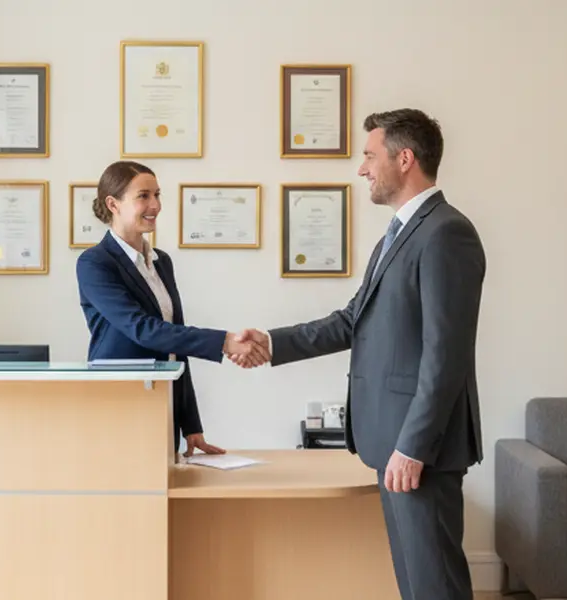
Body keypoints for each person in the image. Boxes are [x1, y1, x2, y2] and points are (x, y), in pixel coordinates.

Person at [232, 108, 485, 600]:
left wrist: (414, 445)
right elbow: (353, 321)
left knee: (436, 585)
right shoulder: (399, 234)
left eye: (370, 156)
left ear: (405, 158)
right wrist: (271, 342)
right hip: (393, 439)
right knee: (416, 583)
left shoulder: (445, 233)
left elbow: (445, 354)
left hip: (418, 447)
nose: (362, 168)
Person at [76, 160, 267, 457]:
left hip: (161, 405)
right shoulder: (95, 263)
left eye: (157, 194)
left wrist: (191, 424)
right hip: (119, 405)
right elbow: (143, 329)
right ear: (113, 204)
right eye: (144, 196)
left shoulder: (161, 261)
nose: (156, 205)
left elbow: (173, 341)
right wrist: (225, 341)